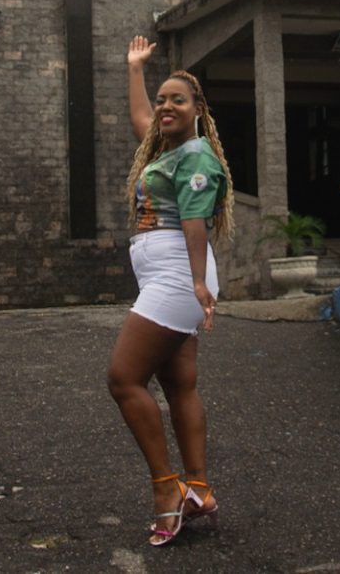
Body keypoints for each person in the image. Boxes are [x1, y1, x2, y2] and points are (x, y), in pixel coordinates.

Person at [107, 35, 236, 547]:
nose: (164, 107)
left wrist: (199, 283)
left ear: (198, 109)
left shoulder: (197, 158)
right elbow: (142, 118)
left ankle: (167, 488)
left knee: (124, 379)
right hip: (167, 273)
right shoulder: (168, 151)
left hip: (178, 274)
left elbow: (194, 220)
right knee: (179, 383)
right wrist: (135, 69)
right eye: (162, 100)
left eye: (176, 100)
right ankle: (199, 489)